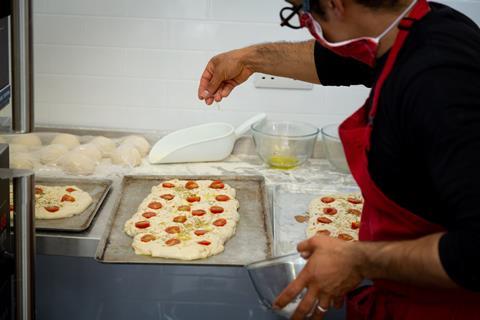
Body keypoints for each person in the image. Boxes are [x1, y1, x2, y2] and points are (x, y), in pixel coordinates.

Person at [197, 0, 480, 319]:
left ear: (335, 3)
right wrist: (248, 59)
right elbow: (337, 61)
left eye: (302, 12)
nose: (307, 24)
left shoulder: (440, 79)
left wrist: (359, 259)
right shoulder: (413, 29)